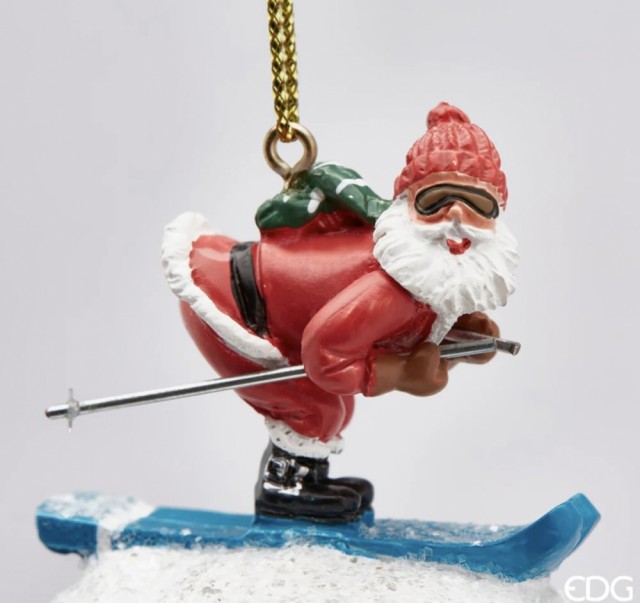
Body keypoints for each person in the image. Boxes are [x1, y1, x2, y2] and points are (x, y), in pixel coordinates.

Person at [162, 102, 519, 522]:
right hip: (234, 305)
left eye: (478, 205)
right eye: (435, 201)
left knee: (334, 408)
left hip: (264, 300)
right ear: (407, 206)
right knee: (319, 408)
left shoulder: (426, 278)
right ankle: (284, 492)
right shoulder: (393, 286)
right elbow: (325, 355)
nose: (456, 216)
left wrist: (458, 337)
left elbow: (403, 329)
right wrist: (402, 374)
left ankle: (308, 481)